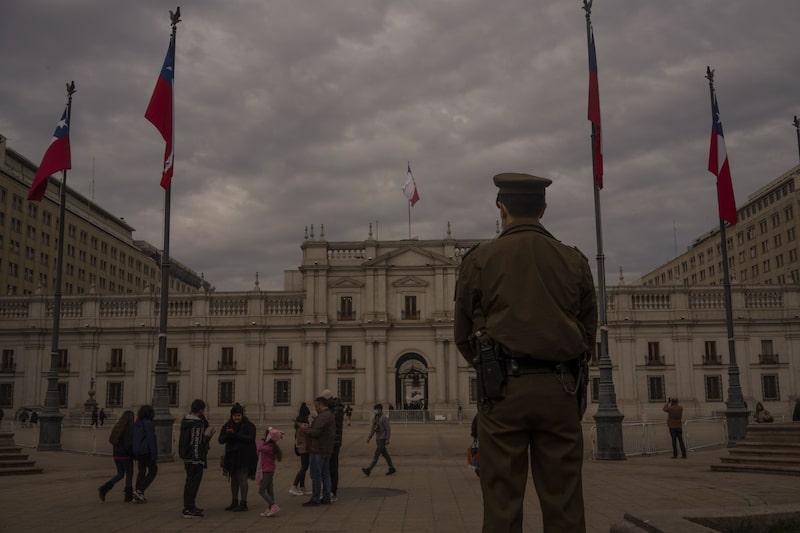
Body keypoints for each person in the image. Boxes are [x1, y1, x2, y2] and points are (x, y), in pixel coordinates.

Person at [454, 173, 597, 533]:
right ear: (543, 210)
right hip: (561, 391)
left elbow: (462, 335)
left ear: (501, 208)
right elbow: (588, 333)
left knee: (501, 505)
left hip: (502, 393)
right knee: (565, 503)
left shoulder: (479, 260)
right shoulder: (574, 260)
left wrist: (491, 368)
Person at [179, 399, 215, 519]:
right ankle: (188, 508)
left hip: (187, 456)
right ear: (200, 410)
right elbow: (196, 442)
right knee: (193, 483)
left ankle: (190, 505)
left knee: (190, 482)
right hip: (194, 458)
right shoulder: (197, 423)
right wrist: (197, 458)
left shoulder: (186, 421)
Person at [218, 403, 257, 512]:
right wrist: (227, 435)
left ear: (242, 415)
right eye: (235, 416)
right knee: (234, 479)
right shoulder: (228, 425)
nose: (236, 418)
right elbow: (220, 440)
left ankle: (243, 503)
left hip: (244, 456)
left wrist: (236, 435)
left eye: (239, 415)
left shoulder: (248, 425)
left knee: (242, 478)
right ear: (231, 416)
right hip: (232, 456)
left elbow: (251, 438)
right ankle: (234, 501)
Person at [302, 393, 336, 506]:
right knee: (325, 473)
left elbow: (316, 433)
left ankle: (315, 498)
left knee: (316, 474)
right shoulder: (329, 415)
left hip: (318, 449)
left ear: (321, 405)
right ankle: (326, 497)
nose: (315, 409)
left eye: (316, 406)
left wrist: (306, 429)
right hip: (326, 449)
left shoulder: (323, 416)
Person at [98, 410, 135, 502]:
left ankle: (104, 488)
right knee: (129, 475)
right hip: (125, 456)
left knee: (120, 474)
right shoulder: (129, 429)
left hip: (116, 455)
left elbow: (111, 440)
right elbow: (128, 444)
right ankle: (128, 495)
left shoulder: (117, 426)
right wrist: (133, 453)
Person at [132, 404, 158, 503]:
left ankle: (137, 494)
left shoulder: (137, 423)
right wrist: (154, 454)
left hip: (138, 451)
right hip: (146, 451)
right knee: (153, 470)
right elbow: (151, 439)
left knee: (141, 471)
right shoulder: (149, 423)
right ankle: (140, 490)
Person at [362, 403, 395, 477]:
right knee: (385, 454)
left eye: (376, 409)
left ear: (380, 409)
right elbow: (373, 429)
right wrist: (369, 437)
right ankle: (391, 468)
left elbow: (388, 429)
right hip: (378, 438)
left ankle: (368, 470)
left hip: (382, 439)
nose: (375, 411)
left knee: (376, 454)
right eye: (375, 410)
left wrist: (387, 438)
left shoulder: (384, 418)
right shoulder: (376, 418)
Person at [256, 427, 284, 517]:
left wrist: (262, 440)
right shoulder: (271, 446)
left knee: (261, 491)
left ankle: (273, 506)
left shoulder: (268, 447)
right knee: (269, 490)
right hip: (269, 470)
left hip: (267, 471)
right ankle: (270, 508)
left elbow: (259, 447)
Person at [326, 391, 344, 501]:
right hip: (331, 442)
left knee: (332, 467)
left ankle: (333, 491)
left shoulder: (337, 410)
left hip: (334, 442)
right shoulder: (334, 409)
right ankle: (329, 490)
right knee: (329, 467)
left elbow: (330, 421)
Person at [289, 414, 310, 496]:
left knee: (304, 467)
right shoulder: (301, 429)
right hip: (304, 450)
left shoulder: (299, 428)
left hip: (303, 449)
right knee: (304, 468)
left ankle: (302, 487)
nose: (307, 423)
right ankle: (294, 486)